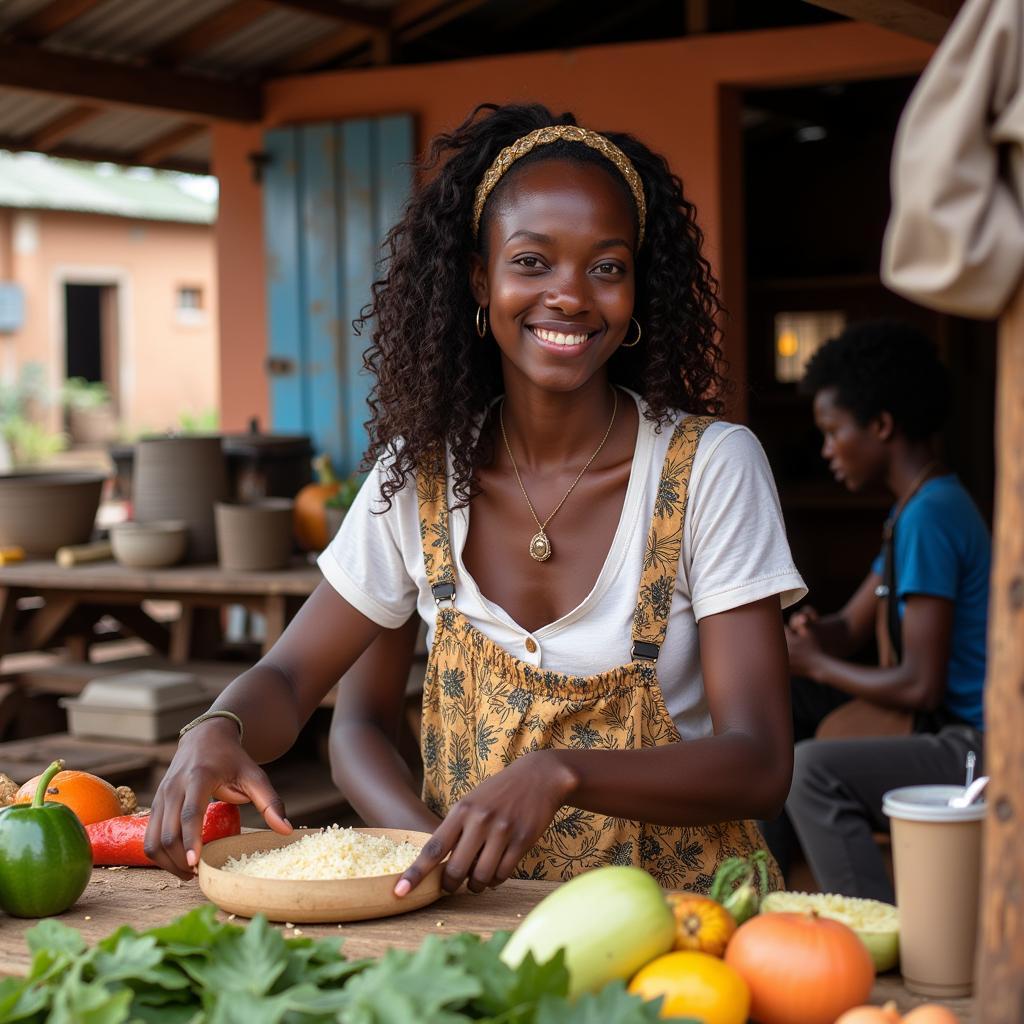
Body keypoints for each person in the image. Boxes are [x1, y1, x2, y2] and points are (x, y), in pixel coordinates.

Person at [146, 103, 806, 896]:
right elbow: (294, 685)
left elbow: (760, 761)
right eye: (532, 262)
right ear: (477, 280)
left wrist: (559, 772)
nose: (570, 295)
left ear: (638, 290)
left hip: (680, 928)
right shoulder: (418, 479)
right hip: (465, 932)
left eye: (606, 267)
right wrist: (220, 727)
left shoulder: (710, 470)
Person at [775, 320, 990, 902]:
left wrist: (815, 664)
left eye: (832, 431)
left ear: (882, 426)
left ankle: (874, 932)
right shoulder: (910, 513)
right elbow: (849, 626)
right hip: (938, 725)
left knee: (809, 772)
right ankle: (764, 881)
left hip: (972, 744)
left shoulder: (932, 516)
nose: (826, 450)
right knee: (778, 703)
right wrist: (815, 634)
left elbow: (921, 684)